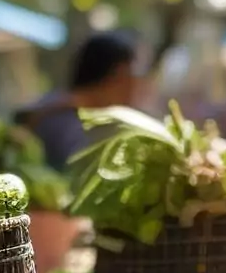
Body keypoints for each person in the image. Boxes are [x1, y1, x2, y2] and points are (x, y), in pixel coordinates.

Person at [25, 31, 144, 170]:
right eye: (127, 78)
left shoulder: (52, 104)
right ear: (111, 79)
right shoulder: (72, 127)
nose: (132, 87)